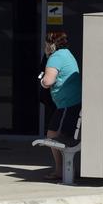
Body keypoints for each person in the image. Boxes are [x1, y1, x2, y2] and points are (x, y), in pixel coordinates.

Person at [39, 31, 80, 180]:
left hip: (67, 105)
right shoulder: (67, 54)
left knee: (53, 136)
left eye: (46, 44)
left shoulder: (55, 58)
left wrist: (42, 80)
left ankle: (61, 171)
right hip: (71, 103)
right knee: (56, 135)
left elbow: (48, 81)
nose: (45, 47)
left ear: (51, 44)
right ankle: (63, 169)